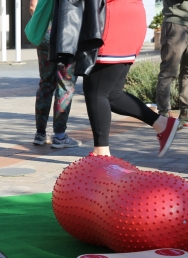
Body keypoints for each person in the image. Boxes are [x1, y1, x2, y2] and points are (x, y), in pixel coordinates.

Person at [55, 0, 178, 157]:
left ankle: (101, 154)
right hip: (129, 18)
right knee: (112, 94)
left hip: (112, 22)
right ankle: (162, 124)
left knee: (96, 92)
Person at [29, 0, 80, 148]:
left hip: (46, 32)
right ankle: (59, 136)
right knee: (65, 84)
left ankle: (40, 133)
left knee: (45, 82)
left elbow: (33, 6)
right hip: (67, 31)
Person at [156, 0, 188, 126]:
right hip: (175, 23)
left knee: (187, 72)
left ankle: (185, 113)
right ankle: (164, 114)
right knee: (169, 71)